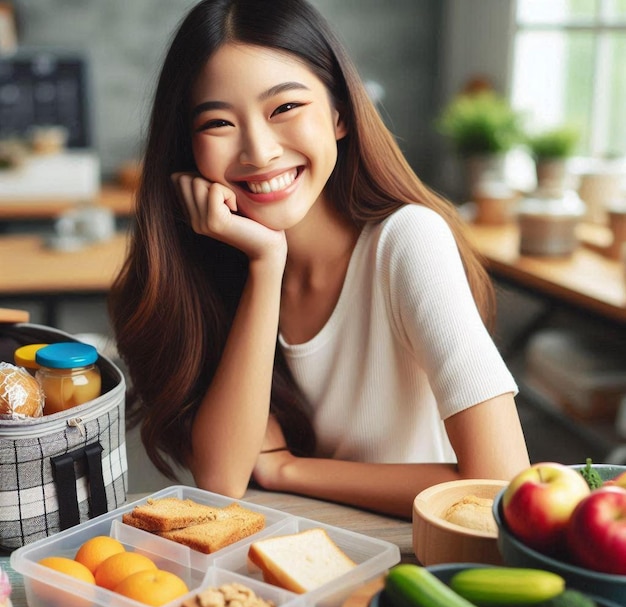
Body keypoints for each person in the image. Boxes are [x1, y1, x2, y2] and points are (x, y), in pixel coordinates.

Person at [109, 0, 530, 519]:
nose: (259, 151)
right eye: (218, 122)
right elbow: (223, 477)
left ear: (339, 115)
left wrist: (288, 469)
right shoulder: (215, 266)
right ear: (187, 149)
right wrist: (266, 264)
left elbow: (500, 484)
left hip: (419, 555)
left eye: (284, 108)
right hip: (299, 553)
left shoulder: (408, 240)